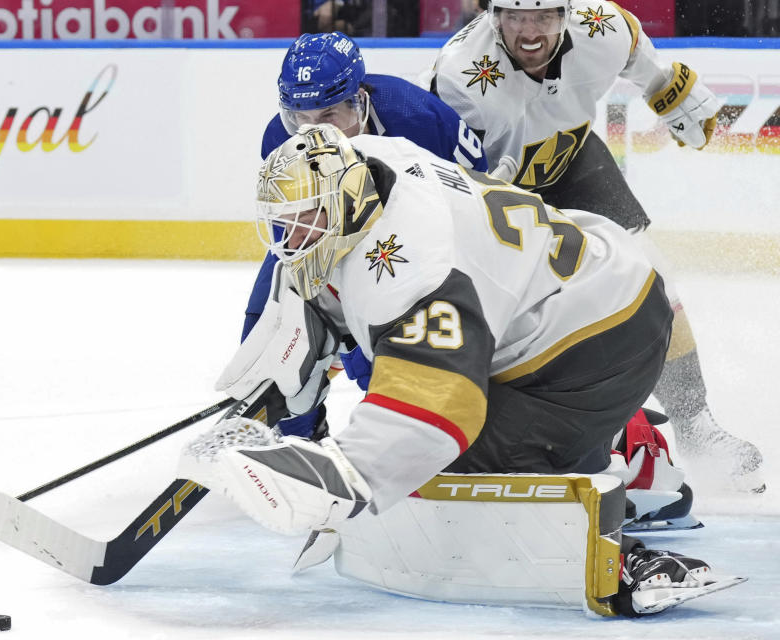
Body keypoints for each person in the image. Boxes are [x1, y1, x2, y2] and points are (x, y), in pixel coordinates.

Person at [180, 124, 741, 616]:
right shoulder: (371, 158)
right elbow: (334, 274)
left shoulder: (414, 266)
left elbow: (436, 415)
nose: (292, 238)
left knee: (461, 460)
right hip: (579, 284)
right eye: (285, 223)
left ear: (345, 204)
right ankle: (618, 441)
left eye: (305, 221)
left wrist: (340, 478)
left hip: (603, 334)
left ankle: (631, 520)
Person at [425, 0, 764, 492]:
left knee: (652, 279)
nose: (529, 31)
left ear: (566, 13)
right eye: (515, 16)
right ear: (493, 16)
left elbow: (636, 52)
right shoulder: (460, 77)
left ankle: (697, 426)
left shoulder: (600, 26)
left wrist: (663, 87)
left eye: (542, 15)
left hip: (576, 161)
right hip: (497, 195)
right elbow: (444, 177)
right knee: (510, 311)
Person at [242, 31, 489, 439]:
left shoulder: (419, 119)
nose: (310, 135)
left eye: (326, 116)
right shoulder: (279, 141)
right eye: (298, 118)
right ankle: (296, 436)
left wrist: (363, 335)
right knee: (269, 334)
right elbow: (297, 243)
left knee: (391, 357)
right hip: (332, 234)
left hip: (421, 241)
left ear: (358, 101)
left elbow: (476, 204)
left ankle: (411, 432)